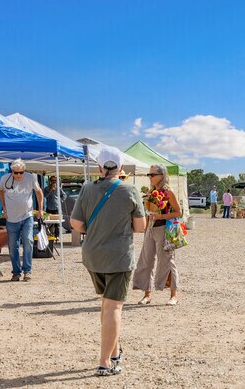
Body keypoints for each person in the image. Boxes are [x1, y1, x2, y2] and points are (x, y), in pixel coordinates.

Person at [70, 147, 146, 377]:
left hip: (93, 255)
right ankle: (105, 362)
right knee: (114, 306)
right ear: (121, 168)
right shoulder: (129, 190)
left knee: (106, 303)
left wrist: (95, 230)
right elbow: (140, 227)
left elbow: (75, 223)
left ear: (99, 168)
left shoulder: (86, 189)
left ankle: (114, 353)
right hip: (119, 256)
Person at [133, 164, 182, 306]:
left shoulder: (168, 192)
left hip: (163, 229)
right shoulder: (151, 191)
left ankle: (174, 295)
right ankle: (147, 295)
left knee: (167, 260)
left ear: (162, 175)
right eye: (149, 175)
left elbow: (178, 212)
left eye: (152, 175)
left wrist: (160, 217)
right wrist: (146, 226)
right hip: (150, 229)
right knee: (146, 260)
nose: (150, 177)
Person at [0, 159, 44, 282]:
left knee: (28, 242)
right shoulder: (5, 179)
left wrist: (40, 209)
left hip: (27, 216)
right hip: (11, 218)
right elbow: (0, 190)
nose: (19, 175)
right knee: (13, 247)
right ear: (11, 171)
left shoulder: (31, 178)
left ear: (24, 171)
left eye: (21, 172)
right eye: (16, 172)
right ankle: (16, 272)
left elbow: (39, 192)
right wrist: (4, 207)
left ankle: (27, 271)